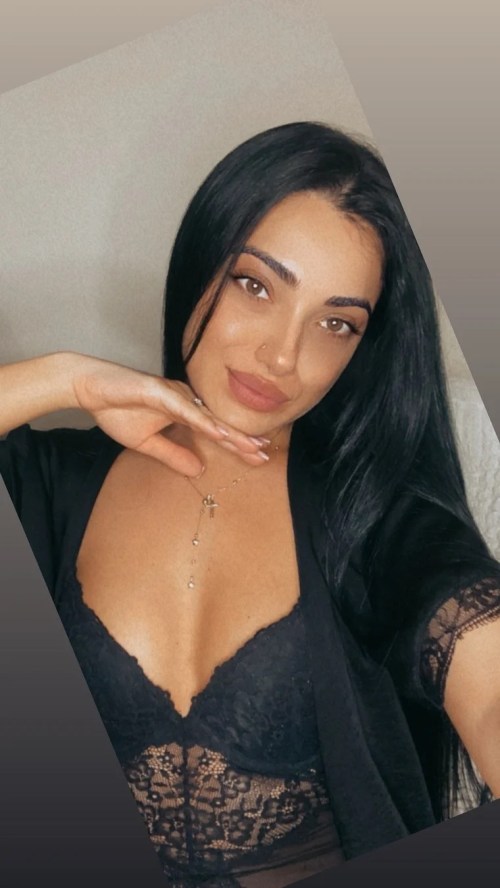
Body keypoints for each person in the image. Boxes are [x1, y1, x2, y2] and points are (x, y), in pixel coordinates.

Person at [1, 121, 500, 887]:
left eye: (335, 324)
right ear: (204, 261)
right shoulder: (54, 484)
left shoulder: (376, 515)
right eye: (256, 285)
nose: (282, 356)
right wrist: (65, 378)